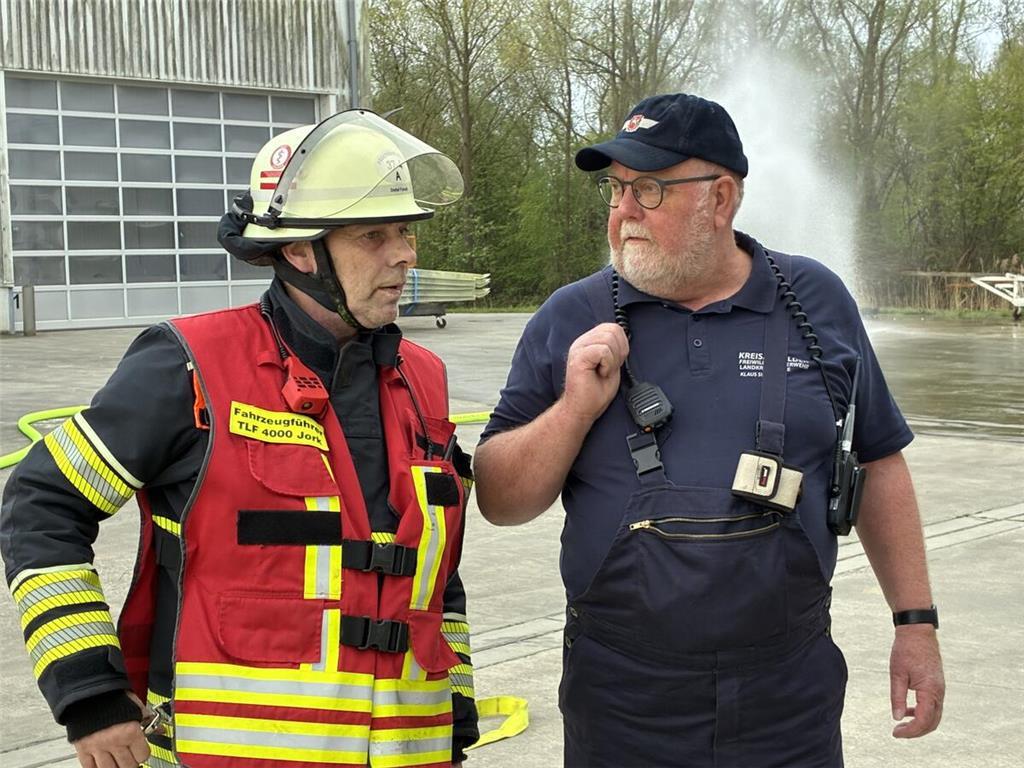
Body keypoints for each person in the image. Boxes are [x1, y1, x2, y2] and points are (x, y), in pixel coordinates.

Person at [473, 93, 944, 767]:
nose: (623, 212)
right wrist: (574, 409)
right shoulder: (568, 317)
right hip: (622, 707)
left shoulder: (817, 301)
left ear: (720, 199)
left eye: (650, 189)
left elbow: (881, 463)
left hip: (790, 703)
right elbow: (499, 498)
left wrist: (916, 626)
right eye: (617, 190)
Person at [1, 109, 479, 768]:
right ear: (299, 251)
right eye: (374, 234)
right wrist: (89, 696)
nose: (404, 254)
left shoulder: (423, 381)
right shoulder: (189, 365)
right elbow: (41, 503)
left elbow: (432, 572)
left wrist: (456, 712)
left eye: (405, 231)